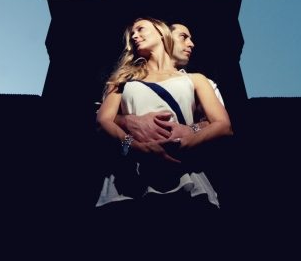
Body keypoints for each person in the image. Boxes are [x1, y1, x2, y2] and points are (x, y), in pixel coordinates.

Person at [95, 17, 233, 211]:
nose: (134, 35)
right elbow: (103, 121)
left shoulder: (197, 80)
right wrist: (136, 147)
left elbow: (223, 126)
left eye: (140, 29)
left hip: (183, 171)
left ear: (161, 32)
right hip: (130, 174)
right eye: (132, 33)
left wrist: (184, 142)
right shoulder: (122, 79)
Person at [113, 23, 225, 143]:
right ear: (165, 36)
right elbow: (103, 118)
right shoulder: (127, 80)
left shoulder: (200, 82)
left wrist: (192, 130)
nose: (191, 44)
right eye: (183, 36)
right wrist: (127, 122)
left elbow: (219, 125)